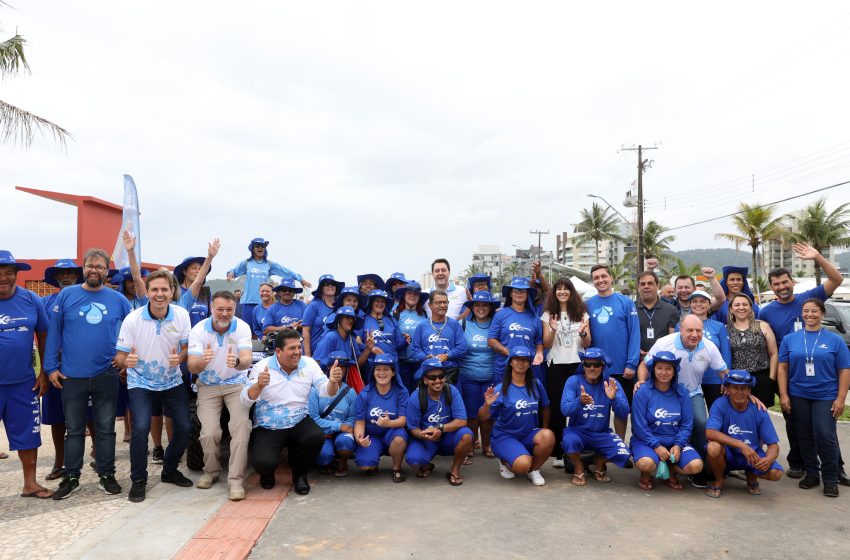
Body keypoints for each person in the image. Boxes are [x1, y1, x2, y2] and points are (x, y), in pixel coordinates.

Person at [45, 248, 132, 500]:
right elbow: (54, 333)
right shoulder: (66, 296)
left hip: (106, 374)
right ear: (83, 268)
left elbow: (133, 329)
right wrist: (50, 367)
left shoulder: (118, 300)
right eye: (90, 266)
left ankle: (107, 474)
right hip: (72, 376)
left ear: (107, 271)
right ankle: (71, 477)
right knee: (73, 430)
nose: (94, 270)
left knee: (105, 429)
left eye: (100, 267)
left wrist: (125, 355)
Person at [760, 242, 847, 482]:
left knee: (825, 427)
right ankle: (799, 464)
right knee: (795, 423)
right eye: (776, 284)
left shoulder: (810, 298)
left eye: (785, 282)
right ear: (771, 287)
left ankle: (835, 468)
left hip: (820, 376)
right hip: (788, 374)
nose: (781, 287)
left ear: (792, 282)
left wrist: (817, 256)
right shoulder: (765, 312)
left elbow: (837, 279)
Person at [114, 269, 192, 503]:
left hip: (171, 379)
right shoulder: (133, 319)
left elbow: (188, 347)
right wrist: (126, 361)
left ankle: (169, 470)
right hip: (140, 380)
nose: (160, 294)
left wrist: (182, 357)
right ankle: (139, 479)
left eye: (164, 290)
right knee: (139, 428)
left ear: (172, 292)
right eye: (155, 289)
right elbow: (119, 357)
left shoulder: (181, 315)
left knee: (185, 427)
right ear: (147, 292)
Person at [242, 328, 341, 495]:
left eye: (299, 347)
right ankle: (267, 473)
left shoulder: (309, 364)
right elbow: (245, 400)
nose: (297, 352)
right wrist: (258, 386)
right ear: (278, 351)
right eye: (292, 348)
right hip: (269, 424)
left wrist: (332, 381)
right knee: (263, 463)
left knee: (315, 436)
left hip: (298, 419)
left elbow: (327, 392)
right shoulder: (262, 366)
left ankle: (300, 475)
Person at [638, 315, 729, 488]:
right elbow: (644, 364)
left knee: (701, 423)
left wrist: (744, 392)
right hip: (663, 391)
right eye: (690, 330)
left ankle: (700, 467)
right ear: (680, 329)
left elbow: (724, 372)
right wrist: (641, 381)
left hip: (691, 392)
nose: (694, 334)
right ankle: (654, 459)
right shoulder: (664, 343)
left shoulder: (709, 347)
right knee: (657, 422)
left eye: (698, 331)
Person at [778, 298, 850, 497]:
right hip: (798, 393)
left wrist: (841, 398)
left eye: (814, 311)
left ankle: (830, 477)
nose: (810, 315)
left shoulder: (835, 340)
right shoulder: (790, 339)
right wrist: (783, 394)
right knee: (805, 435)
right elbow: (782, 368)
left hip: (826, 394)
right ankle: (811, 473)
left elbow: (844, 370)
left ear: (823, 314)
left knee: (825, 435)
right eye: (806, 311)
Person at [186, 291, 253, 501]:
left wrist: (237, 363)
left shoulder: (241, 327)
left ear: (234, 309)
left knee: (241, 427)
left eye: (229, 310)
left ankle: (236, 480)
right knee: (209, 433)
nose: (224, 314)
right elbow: (192, 366)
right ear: (211, 309)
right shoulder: (198, 330)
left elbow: (247, 359)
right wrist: (202, 362)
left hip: (236, 384)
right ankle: (211, 472)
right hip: (208, 385)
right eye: (220, 309)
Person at [0, 250, 52, 499]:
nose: (3, 278)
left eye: (8, 272)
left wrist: (44, 372)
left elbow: (43, 335)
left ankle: (30, 483)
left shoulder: (31, 299)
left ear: (16, 275)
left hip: (23, 382)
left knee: (29, 435)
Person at [479, 347, 555, 486]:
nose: (521, 363)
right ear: (510, 362)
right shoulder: (501, 388)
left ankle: (534, 470)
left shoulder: (536, 384)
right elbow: (483, 417)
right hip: (505, 436)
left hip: (528, 434)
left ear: (529, 363)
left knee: (548, 436)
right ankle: (504, 460)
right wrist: (487, 405)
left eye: (525, 360)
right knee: (522, 465)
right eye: (517, 359)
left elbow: (545, 407)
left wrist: (543, 430)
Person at [630, 351, 703, 491]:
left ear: (675, 372)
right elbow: (639, 426)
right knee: (646, 463)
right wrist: (656, 446)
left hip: (674, 440)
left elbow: (687, 424)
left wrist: (678, 444)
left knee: (696, 466)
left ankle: (670, 469)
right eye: (659, 368)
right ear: (653, 370)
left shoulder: (682, 392)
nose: (664, 372)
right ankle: (646, 473)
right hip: (646, 440)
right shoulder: (643, 391)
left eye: (668, 368)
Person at [705, 370, 784, 498]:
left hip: (751, 455)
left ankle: (751, 475)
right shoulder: (720, 404)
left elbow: (773, 445)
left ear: (749, 391)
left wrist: (769, 459)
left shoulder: (759, 409)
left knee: (776, 473)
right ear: (727, 389)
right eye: (735, 388)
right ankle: (719, 480)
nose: (740, 392)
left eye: (744, 388)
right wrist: (741, 446)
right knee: (713, 447)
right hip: (728, 453)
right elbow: (710, 433)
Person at [40, 259, 84, 482]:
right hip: (54, 369)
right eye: (62, 273)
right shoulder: (45, 302)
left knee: (91, 416)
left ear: (78, 276)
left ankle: (98, 455)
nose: (66, 276)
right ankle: (60, 461)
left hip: (81, 369)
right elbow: (41, 335)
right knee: (57, 419)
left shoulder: (86, 298)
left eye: (71, 273)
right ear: (56, 278)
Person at [585, 264, 640, 442]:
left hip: (622, 367)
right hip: (596, 368)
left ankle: (619, 445)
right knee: (597, 411)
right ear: (593, 281)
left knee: (621, 410)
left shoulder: (625, 302)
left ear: (611, 278)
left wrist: (631, 363)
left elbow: (634, 334)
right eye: (596, 278)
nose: (600, 280)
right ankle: (600, 448)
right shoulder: (588, 305)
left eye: (603, 276)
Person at [561, 348, 631, 486]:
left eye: (596, 364)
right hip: (578, 431)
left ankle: (599, 462)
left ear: (603, 366)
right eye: (587, 364)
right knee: (569, 441)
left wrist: (614, 399)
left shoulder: (612, 384)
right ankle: (578, 467)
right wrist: (579, 402)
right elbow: (565, 410)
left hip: (602, 433)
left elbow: (624, 413)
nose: (591, 368)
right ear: (583, 366)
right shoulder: (573, 381)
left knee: (624, 453)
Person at [541, 276, 591, 468]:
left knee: (580, 406)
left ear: (572, 292)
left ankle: (579, 449)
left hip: (578, 365)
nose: (562, 292)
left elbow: (588, 343)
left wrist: (583, 334)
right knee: (558, 408)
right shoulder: (548, 314)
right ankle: (560, 452)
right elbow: (546, 344)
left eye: (566, 288)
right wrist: (553, 330)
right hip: (556, 364)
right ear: (554, 292)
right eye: (558, 289)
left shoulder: (582, 313)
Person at [406, 359, 474, 485]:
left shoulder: (451, 391)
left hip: (448, 437)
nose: (438, 381)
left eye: (441, 376)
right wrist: (424, 435)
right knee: (413, 460)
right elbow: (412, 428)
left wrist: (440, 429)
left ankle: (455, 469)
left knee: (466, 435)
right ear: (425, 380)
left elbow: (462, 421)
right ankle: (425, 464)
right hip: (426, 440)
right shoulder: (416, 397)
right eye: (432, 377)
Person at [226, 237, 311, 323]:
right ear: (252, 249)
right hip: (248, 302)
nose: (260, 248)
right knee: (248, 330)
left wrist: (300, 279)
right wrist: (230, 274)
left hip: (263, 302)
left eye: (263, 246)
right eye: (257, 246)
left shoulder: (269, 264)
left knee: (263, 329)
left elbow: (285, 271)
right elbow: (234, 271)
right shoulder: (247, 263)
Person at [353, 354, 409, 482]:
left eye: (386, 369)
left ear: (393, 372)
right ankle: (373, 461)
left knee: (400, 439)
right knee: (365, 465)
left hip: (393, 432)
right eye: (378, 369)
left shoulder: (401, 392)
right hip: (372, 436)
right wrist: (360, 438)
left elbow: (403, 420)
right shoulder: (365, 394)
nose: (382, 373)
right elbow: (360, 422)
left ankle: (397, 468)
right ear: (373, 372)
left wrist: (388, 423)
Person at [458, 291, 499, 462]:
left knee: (488, 414)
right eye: (477, 305)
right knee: (471, 415)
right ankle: (472, 443)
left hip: (490, 375)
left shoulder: (496, 324)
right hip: (468, 375)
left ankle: (487, 444)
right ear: (472, 307)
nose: (481, 308)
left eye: (484, 305)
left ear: (490, 308)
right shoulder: (464, 324)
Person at [680, 290, 732, 410]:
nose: (698, 304)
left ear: (709, 305)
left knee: (716, 413)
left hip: (714, 379)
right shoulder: (681, 326)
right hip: (689, 379)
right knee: (693, 418)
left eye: (703, 301)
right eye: (694, 301)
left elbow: (726, 354)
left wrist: (726, 380)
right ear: (690, 305)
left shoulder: (719, 326)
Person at [308, 351, 358, 477]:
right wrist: (339, 426)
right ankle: (327, 460)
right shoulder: (315, 390)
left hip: (343, 433)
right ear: (329, 367)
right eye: (336, 366)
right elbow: (313, 418)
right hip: (323, 433)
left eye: (343, 367)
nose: (339, 370)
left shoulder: (350, 392)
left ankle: (343, 461)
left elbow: (352, 417)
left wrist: (346, 427)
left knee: (345, 443)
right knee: (324, 456)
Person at [487, 277, 544, 386]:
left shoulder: (535, 318)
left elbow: (539, 341)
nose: (519, 293)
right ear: (511, 294)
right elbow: (491, 340)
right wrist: (509, 353)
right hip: (504, 368)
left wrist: (539, 353)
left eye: (523, 290)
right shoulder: (500, 315)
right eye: (516, 290)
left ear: (527, 294)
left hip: (528, 369)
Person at [727, 292, 778, 409]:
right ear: (731, 309)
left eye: (745, 304)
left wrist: (771, 379)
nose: (741, 307)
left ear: (750, 308)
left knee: (761, 415)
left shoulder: (763, 326)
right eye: (737, 305)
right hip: (737, 381)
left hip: (762, 379)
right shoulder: (725, 330)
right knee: (739, 414)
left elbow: (774, 354)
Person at [410, 290, 467, 384]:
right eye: (438, 302)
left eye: (445, 302)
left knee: (451, 398)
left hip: (450, 374)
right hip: (429, 375)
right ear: (430, 305)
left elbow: (462, 348)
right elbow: (415, 350)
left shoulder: (454, 325)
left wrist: (447, 355)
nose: (443, 305)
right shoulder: (422, 326)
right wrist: (425, 357)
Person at [393, 281, 429, 392]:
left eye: (415, 294)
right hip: (402, 363)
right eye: (409, 293)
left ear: (419, 297)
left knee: (419, 394)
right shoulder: (395, 313)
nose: (412, 296)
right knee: (404, 393)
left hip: (420, 363)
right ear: (404, 295)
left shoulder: (425, 314)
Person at [313, 306, 371, 374]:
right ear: (339, 320)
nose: (351, 320)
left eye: (352, 318)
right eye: (347, 317)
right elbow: (317, 363)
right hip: (326, 380)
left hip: (343, 381)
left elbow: (357, 366)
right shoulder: (330, 337)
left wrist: (368, 348)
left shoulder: (351, 338)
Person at [635, 271, 679, 359]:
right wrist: (636, 350)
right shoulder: (630, 309)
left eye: (650, 283)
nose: (646, 286)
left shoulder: (671, 310)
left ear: (657, 286)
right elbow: (625, 336)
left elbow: (673, 338)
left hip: (662, 360)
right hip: (636, 360)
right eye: (643, 284)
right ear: (638, 287)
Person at [302, 274, 344, 356]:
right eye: (326, 284)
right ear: (321, 288)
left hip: (336, 353)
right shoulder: (314, 305)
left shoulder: (340, 307)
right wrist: (308, 355)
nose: (330, 286)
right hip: (316, 352)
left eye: (333, 284)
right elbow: (305, 331)